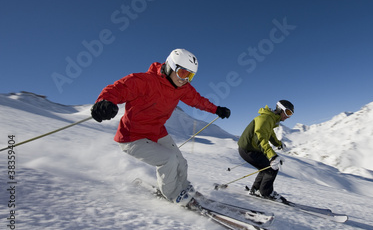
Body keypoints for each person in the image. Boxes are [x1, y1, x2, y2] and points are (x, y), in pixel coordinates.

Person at [90, 48, 231, 206]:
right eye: (183, 73)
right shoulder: (145, 81)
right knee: (168, 160)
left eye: (190, 76)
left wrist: (216, 109)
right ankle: (173, 194)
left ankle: (183, 186)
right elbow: (117, 89)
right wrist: (104, 102)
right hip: (132, 136)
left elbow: (197, 100)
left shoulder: (182, 88)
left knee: (181, 162)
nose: (185, 79)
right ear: (171, 66)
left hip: (156, 131)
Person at [238, 100, 294, 201]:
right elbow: (260, 138)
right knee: (272, 167)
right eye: (288, 112)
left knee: (266, 166)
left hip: (251, 148)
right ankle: (266, 193)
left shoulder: (270, 119)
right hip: (248, 149)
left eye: (291, 114)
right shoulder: (265, 119)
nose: (288, 116)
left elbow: (270, 134)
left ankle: (256, 189)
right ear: (280, 109)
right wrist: (272, 156)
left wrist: (278, 143)